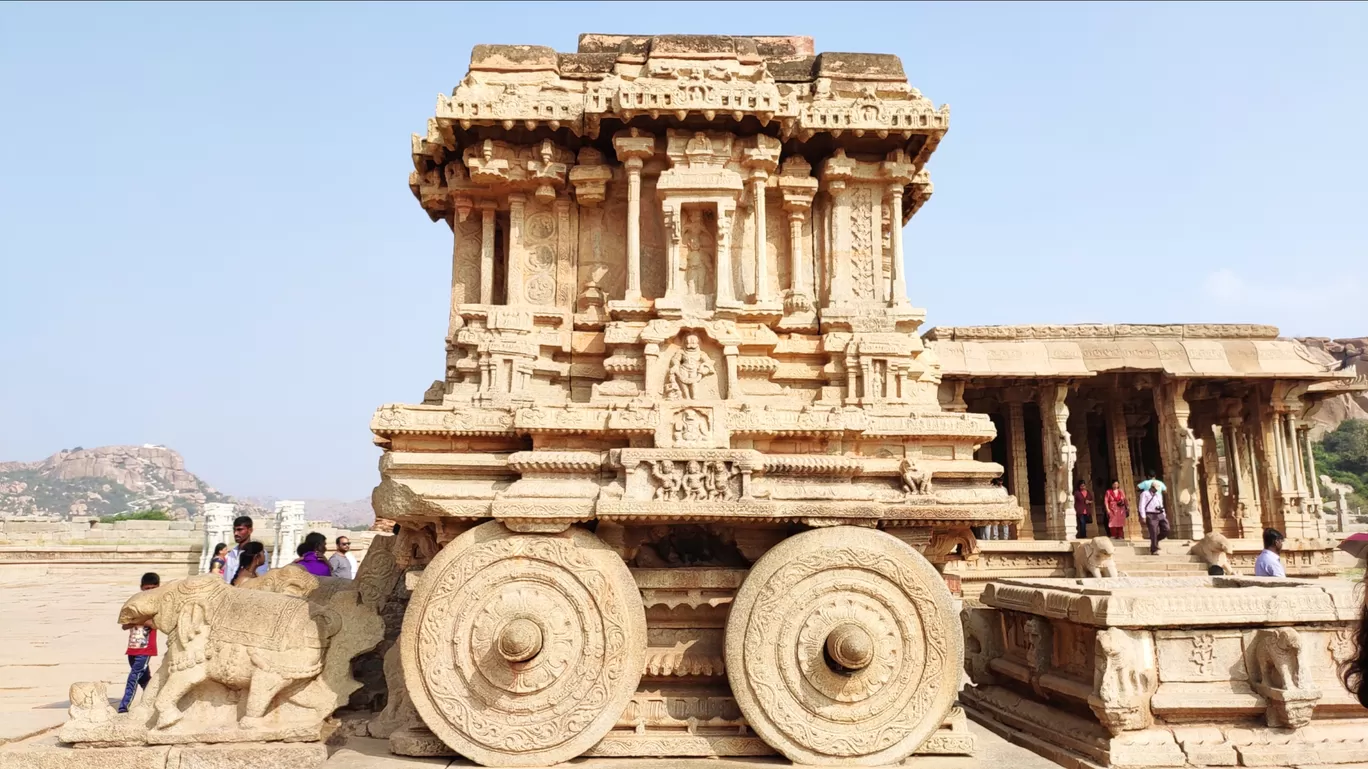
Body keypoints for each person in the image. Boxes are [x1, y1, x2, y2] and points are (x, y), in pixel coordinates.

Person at [117, 572, 160, 713]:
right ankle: (156, 700)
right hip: (133, 647)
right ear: (142, 588)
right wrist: (138, 620)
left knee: (134, 676)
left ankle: (124, 705)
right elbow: (125, 624)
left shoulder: (157, 606)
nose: (150, 591)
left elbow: (154, 623)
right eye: (147, 588)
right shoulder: (136, 604)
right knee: (144, 679)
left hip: (146, 648)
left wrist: (137, 620)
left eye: (153, 588)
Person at [222, 516, 269, 583]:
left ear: (250, 530)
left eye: (239, 530)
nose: (235, 533)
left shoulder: (258, 553)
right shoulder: (231, 553)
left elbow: (260, 579)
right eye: (234, 530)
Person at [1139, 479, 1169, 555]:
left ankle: (1156, 540)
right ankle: (1154, 549)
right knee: (1153, 531)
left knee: (1166, 529)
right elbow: (1141, 505)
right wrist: (1143, 516)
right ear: (1152, 487)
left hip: (1160, 513)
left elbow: (1161, 505)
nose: (1157, 490)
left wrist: (1164, 514)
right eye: (1155, 489)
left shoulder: (1158, 495)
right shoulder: (1145, 494)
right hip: (1150, 514)